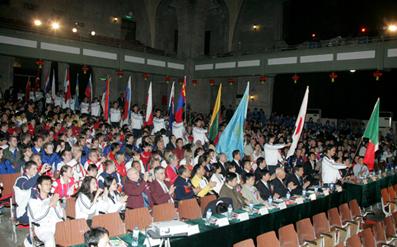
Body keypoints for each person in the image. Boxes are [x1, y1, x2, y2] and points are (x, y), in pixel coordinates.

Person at [26, 175, 64, 247]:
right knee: (50, 237)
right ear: (39, 186)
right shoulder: (33, 201)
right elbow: (36, 218)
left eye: (50, 184)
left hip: (56, 227)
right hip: (43, 229)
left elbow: (60, 216)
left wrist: (55, 205)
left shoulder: (53, 198)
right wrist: (49, 205)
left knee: (72, 232)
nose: (49, 186)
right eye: (46, 184)